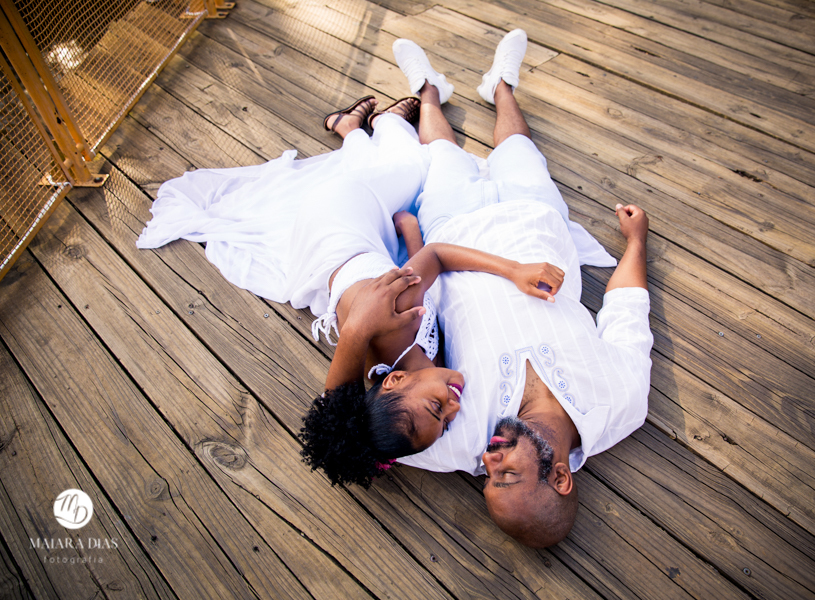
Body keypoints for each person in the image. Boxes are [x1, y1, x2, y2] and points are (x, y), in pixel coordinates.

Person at [136, 93, 565, 489]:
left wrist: (514, 270)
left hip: (337, 221)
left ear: (394, 379)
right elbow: (340, 407)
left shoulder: (395, 322)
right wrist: (409, 234)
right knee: (401, 192)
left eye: (440, 408)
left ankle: (379, 124)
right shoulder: (397, 377)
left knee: (416, 166)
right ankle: (350, 129)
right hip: (345, 258)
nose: (456, 407)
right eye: (447, 422)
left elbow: (435, 258)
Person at [383, 31, 653, 547]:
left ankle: (428, 91)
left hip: (453, 235)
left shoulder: (457, 438)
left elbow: (369, 438)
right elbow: (625, 310)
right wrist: (636, 243)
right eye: (505, 474)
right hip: (537, 224)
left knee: (442, 155)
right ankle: (502, 86)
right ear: (559, 477)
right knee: (518, 148)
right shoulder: (622, 404)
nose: (489, 462)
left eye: (487, 478)